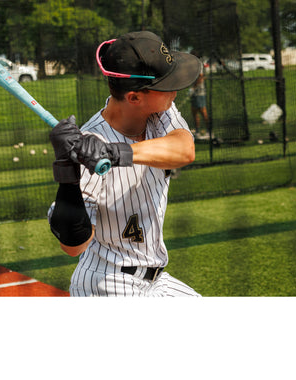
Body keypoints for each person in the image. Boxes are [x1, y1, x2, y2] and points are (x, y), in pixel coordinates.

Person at [47, 31, 202, 297]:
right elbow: (73, 246)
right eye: (166, 85)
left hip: (156, 280)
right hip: (107, 282)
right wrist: (67, 173)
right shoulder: (90, 146)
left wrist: (115, 153)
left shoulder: (158, 112)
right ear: (134, 97)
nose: (174, 91)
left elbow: (185, 150)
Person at [189, 67, 209, 137]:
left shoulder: (199, 65)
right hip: (195, 94)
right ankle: (197, 131)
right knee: (194, 112)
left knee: (203, 112)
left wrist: (193, 88)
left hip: (199, 93)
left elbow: (201, 78)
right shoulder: (193, 65)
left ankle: (209, 132)